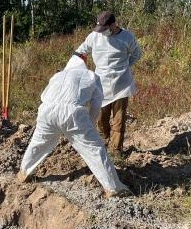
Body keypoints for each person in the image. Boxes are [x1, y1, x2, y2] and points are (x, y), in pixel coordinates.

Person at [17, 52, 132, 198]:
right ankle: (114, 188)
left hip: (46, 111)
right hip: (72, 113)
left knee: (38, 143)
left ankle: (24, 172)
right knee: (94, 150)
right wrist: (89, 123)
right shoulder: (90, 75)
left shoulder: (57, 76)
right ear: (84, 64)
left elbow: (43, 96)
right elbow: (97, 103)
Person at [75, 11, 143, 159]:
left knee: (119, 120)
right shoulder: (94, 36)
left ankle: (117, 151)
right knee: (101, 119)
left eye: (105, 29)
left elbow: (137, 54)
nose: (102, 32)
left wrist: (126, 66)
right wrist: (71, 68)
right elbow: (81, 51)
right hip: (101, 85)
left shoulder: (127, 37)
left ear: (113, 24)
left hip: (121, 85)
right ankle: (103, 145)